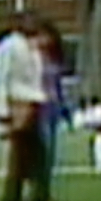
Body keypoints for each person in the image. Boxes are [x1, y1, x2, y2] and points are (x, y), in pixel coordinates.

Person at [0, 12, 51, 201]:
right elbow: (0, 78)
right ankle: (16, 194)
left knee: (32, 151)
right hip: (18, 101)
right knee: (22, 151)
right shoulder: (8, 46)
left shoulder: (31, 46)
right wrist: (2, 110)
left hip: (33, 101)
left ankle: (31, 193)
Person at [34, 22, 71, 187]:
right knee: (43, 144)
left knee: (52, 148)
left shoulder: (54, 59)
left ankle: (46, 181)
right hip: (38, 104)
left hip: (53, 105)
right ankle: (38, 180)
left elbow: (59, 86)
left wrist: (65, 108)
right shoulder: (32, 57)